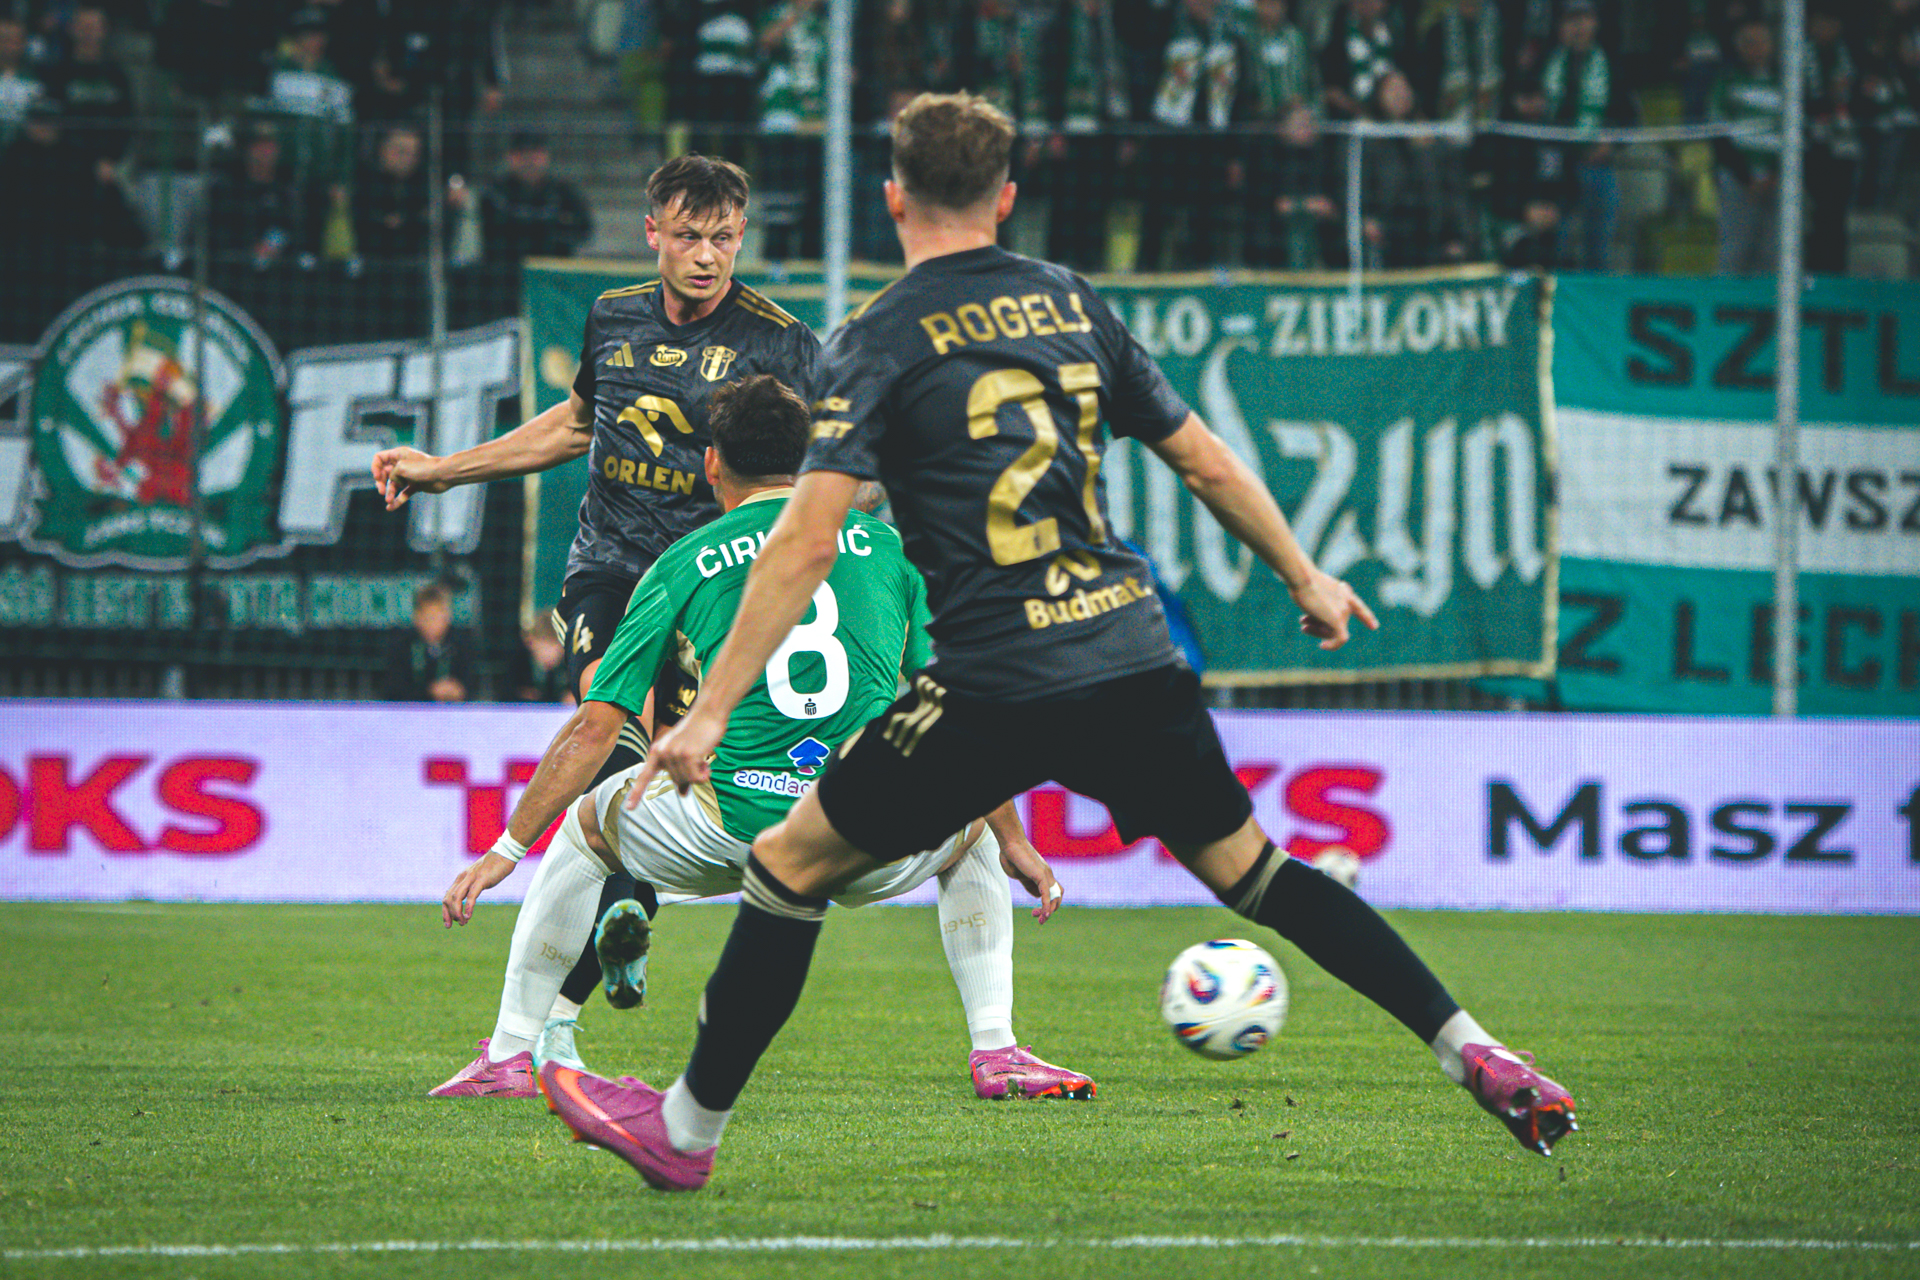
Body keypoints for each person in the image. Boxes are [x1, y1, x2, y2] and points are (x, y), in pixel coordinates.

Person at [543, 91, 1579, 1192]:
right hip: (1127, 651)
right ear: (1006, 197)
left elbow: (802, 540)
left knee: (788, 866)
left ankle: (685, 1132)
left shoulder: (875, 339)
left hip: (993, 677)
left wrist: (706, 714)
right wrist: (1304, 574)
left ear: (893, 198)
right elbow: (1204, 459)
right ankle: (1474, 1046)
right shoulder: (1070, 303)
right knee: (1257, 870)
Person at [432, 375, 1094, 1105]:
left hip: (725, 827)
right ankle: (996, 1050)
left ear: (712, 464)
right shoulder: (890, 549)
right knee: (969, 824)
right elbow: (956, 707)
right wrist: (1014, 840)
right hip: (861, 830)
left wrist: (505, 851)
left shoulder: (683, 561)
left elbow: (596, 727)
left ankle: (509, 1055)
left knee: (586, 830)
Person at [371, 154, 825, 1054]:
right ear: (653, 231)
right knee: (614, 724)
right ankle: (591, 967)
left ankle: (606, 947)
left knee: (668, 773)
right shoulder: (611, 317)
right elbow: (577, 425)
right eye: (688, 236)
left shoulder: (783, 343)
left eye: (724, 238)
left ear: (743, 236)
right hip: (611, 568)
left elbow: (827, 464)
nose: (707, 255)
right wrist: (444, 471)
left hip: (711, 583)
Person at [1709, 17, 1782, 276]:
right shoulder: (1728, 81)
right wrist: (1746, 177)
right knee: (1735, 249)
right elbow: (1718, 132)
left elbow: (1795, 132)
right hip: (1738, 179)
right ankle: (1726, 297)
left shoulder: (1784, 83)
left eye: (1762, 42)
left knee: (1773, 252)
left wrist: (1775, 174)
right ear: (1739, 48)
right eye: (1750, 43)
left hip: (1777, 179)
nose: (1757, 49)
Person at [478, 129, 592, 262]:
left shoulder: (564, 193)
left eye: (535, 154)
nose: (529, 161)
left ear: (546, 156)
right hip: (507, 268)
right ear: (510, 157)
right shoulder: (495, 193)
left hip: (552, 267)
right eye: (522, 155)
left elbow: (583, 230)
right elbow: (496, 237)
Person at [383, 582, 475, 702]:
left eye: (437, 617)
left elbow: (471, 687)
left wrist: (458, 691)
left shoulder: (461, 645)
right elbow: (393, 691)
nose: (432, 624)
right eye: (427, 618)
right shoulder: (402, 646)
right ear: (417, 618)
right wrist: (430, 691)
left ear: (447, 617)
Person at [0, 17, 46, 149]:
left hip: (22, 150)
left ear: (23, 44)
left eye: (15, 41)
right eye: (4, 40)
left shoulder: (35, 82)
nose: (9, 46)